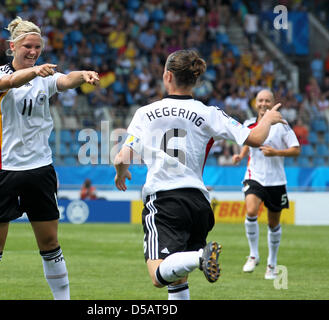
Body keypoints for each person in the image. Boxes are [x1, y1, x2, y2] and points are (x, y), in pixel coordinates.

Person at [114, 49, 286, 300]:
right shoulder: (210, 113)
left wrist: (122, 172)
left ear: (167, 76)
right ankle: (197, 258)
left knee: (157, 275)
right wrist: (268, 118)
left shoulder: (145, 113)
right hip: (198, 204)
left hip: (164, 201)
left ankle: (200, 256)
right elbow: (257, 138)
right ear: (195, 79)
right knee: (178, 279)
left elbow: (121, 157)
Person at [0, 16, 99, 300]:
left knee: (50, 243)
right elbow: (10, 81)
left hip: (40, 170)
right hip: (2, 170)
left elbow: (66, 80)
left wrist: (83, 75)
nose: (32, 52)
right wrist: (35, 72)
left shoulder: (45, 77)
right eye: (27, 46)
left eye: (37, 47)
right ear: (12, 46)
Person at [232, 89, 300, 280]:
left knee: (273, 223)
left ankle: (272, 263)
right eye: (260, 100)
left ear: (272, 103)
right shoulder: (248, 124)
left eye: (267, 101)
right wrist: (241, 155)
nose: (263, 104)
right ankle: (253, 255)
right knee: (251, 211)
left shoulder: (282, 125)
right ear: (256, 103)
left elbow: (296, 150)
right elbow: (249, 140)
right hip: (255, 176)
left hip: (276, 181)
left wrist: (276, 153)